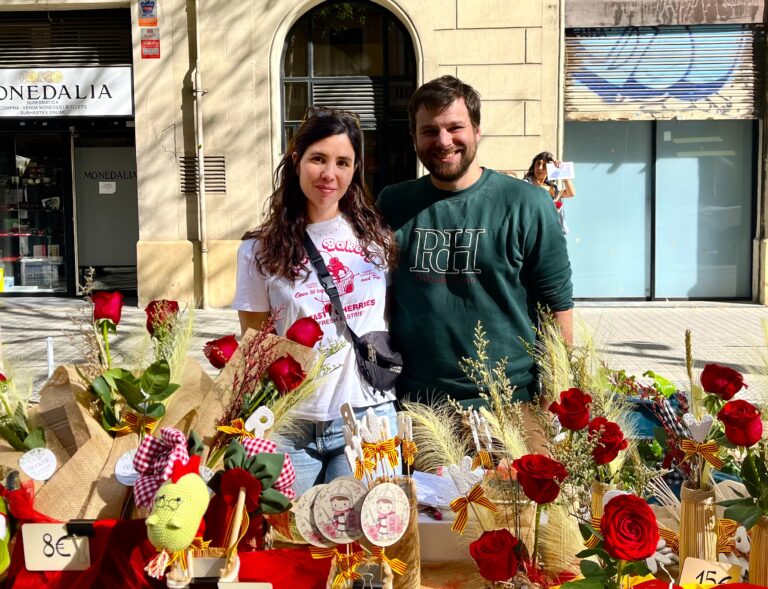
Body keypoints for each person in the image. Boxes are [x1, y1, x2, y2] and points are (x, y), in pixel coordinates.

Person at [376, 75, 573, 410]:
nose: (443, 140)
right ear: (414, 139)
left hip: (511, 406)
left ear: (477, 131)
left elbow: (557, 308)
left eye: (455, 127)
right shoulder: (393, 204)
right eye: (429, 130)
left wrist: (553, 405)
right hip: (418, 409)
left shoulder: (527, 203)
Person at [232, 107, 399, 496]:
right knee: (284, 543)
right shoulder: (258, 249)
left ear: (355, 169)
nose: (329, 174)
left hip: (367, 417)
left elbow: (388, 319)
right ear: (296, 161)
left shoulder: (377, 239)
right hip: (289, 423)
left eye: (343, 162)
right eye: (318, 159)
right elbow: (255, 343)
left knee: (361, 544)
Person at [523, 151, 575, 234]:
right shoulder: (526, 184)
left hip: (552, 230)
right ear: (533, 165)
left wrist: (561, 169)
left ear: (550, 169)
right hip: (532, 230)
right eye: (538, 164)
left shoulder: (553, 188)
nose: (540, 168)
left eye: (544, 166)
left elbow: (570, 193)